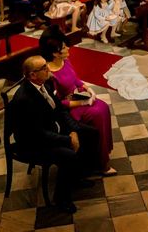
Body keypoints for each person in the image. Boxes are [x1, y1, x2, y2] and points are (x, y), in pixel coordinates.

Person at [9, 55, 100, 213]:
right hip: (33, 142)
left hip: (50, 129)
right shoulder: (25, 99)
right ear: (32, 75)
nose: (48, 69)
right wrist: (67, 140)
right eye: (44, 68)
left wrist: (73, 130)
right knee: (68, 155)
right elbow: (37, 133)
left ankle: (77, 175)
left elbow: (60, 109)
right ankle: (61, 199)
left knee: (91, 133)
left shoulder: (46, 83)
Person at [39, 28, 116, 176]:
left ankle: (101, 153)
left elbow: (75, 79)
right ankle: (100, 164)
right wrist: (83, 103)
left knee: (104, 107)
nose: (68, 48)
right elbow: (58, 104)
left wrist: (86, 88)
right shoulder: (49, 74)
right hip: (67, 110)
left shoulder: (64, 60)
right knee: (97, 114)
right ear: (55, 53)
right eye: (64, 47)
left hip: (75, 99)